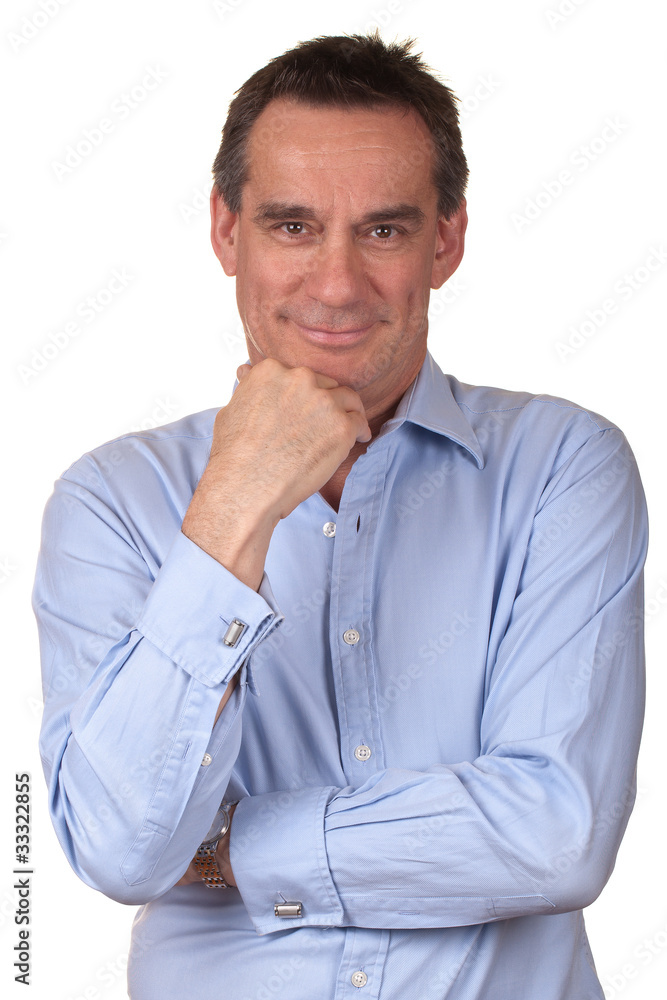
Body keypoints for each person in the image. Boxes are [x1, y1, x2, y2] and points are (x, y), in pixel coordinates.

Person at [34, 32, 647, 1000]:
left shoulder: (561, 466)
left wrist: (230, 847)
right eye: (291, 226)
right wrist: (232, 511)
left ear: (446, 239)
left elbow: (555, 836)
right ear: (224, 230)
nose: (334, 284)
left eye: (383, 231)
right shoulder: (111, 500)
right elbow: (119, 845)